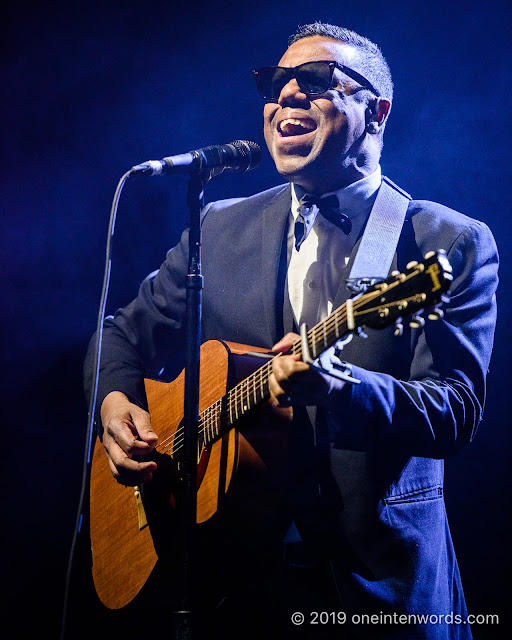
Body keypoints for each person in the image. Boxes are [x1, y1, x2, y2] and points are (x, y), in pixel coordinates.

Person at [84, 22, 498, 640]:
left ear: (376, 111)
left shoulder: (442, 241)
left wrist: (340, 389)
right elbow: (118, 335)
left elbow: (457, 410)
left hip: (375, 590)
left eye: (315, 81)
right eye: (276, 84)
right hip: (229, 587)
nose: (288, 97)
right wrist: (115, 404)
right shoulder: (219, 227)